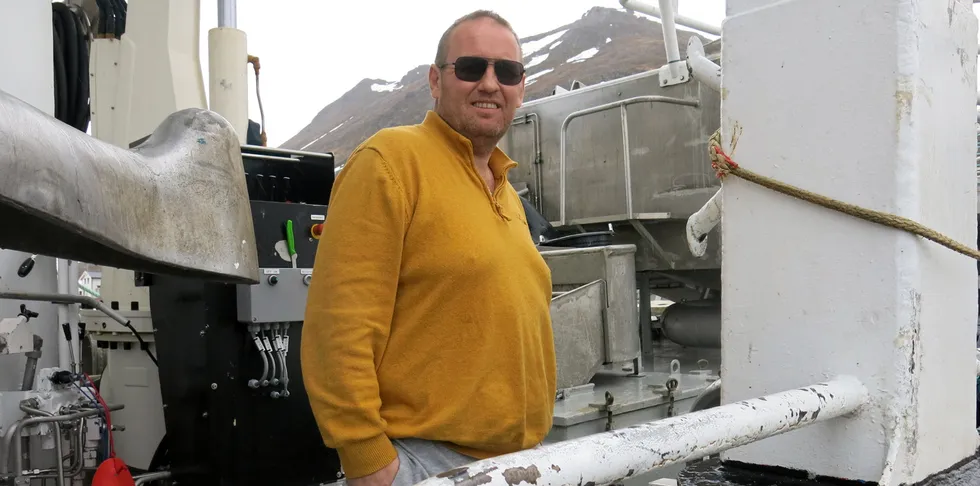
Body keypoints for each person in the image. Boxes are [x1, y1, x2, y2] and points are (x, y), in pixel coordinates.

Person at [300, 9, 556, 486]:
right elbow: (340, 325)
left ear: (520, 87)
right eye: (470, 68)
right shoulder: (390, 161)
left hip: (518, 462)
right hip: (426, 464)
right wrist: (369, 460)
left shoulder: (505, 190)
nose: (489, 83)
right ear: (436, 80)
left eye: (507, 71)